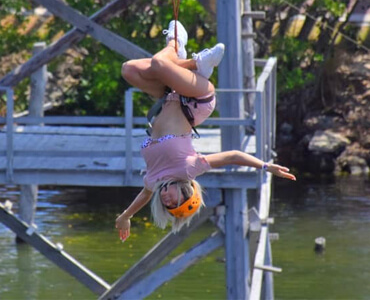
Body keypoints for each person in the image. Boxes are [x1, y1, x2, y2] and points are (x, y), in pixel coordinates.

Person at [115, 20, 296, 242]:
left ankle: (192, 63)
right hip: (197, 99)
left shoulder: (153, 181)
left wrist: (125, 216)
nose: (166, 198)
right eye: (173, 201)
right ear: (185, 193)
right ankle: (185, 52)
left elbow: (144, 195)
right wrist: (266, 166)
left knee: (129, 70)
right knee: (159, 63)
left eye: (166, 204)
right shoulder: (189, 169)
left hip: (170, 95)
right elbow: (232, 156)